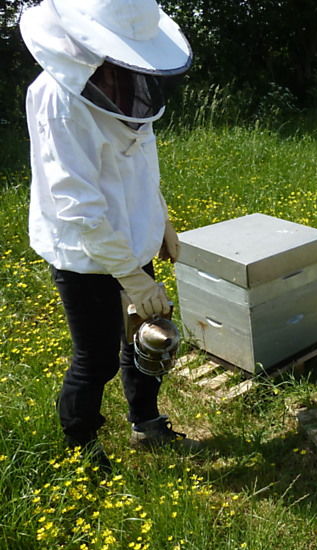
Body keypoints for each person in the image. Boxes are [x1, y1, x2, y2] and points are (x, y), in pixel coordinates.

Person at [20, 0, 199, 470]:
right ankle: (81, 447)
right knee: (94, 358)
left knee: (147, 338)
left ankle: (147, 423)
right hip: (84, 252)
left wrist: (161, 220)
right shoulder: (57, 97)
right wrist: (131, 277)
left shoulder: (125, 80)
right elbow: (78, 206)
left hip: (131, 238)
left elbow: (141, 165)